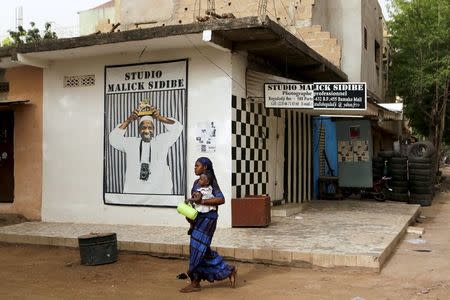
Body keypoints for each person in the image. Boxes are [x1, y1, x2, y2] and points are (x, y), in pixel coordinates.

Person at [180, 157, 237, 293]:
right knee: (203, 250)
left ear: (205, 167)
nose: (195, 168)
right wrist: (189, 215)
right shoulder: (196, 182)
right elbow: (195, 201)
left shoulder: (211, 183)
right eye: (195, 166)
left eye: (197, 165)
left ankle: (194, 282)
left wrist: (203, 202)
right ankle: (229, 270)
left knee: (197, 249)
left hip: (208, 220)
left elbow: (221, 199)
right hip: (198, 219)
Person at [109, 106, 183, 194]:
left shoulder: (162, 141)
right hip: (135, 193)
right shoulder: (131, 143)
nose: (147, 131)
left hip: (159, 193)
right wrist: (129, 120)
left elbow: (178, 128)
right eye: (143, 127)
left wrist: (160, 118)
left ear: (154, 129)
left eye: (150, 127)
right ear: (139, 130)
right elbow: (114, 139)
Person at [185, 170, 215, 235]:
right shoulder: (210, 188)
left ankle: (192, 225)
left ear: (206, 182)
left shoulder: (201, 191)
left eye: (201, 180)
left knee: (188, 215)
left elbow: (198, 199)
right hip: (207, 208)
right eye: (199, 179)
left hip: (201, 208)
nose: (199, 181)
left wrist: (190, 199)